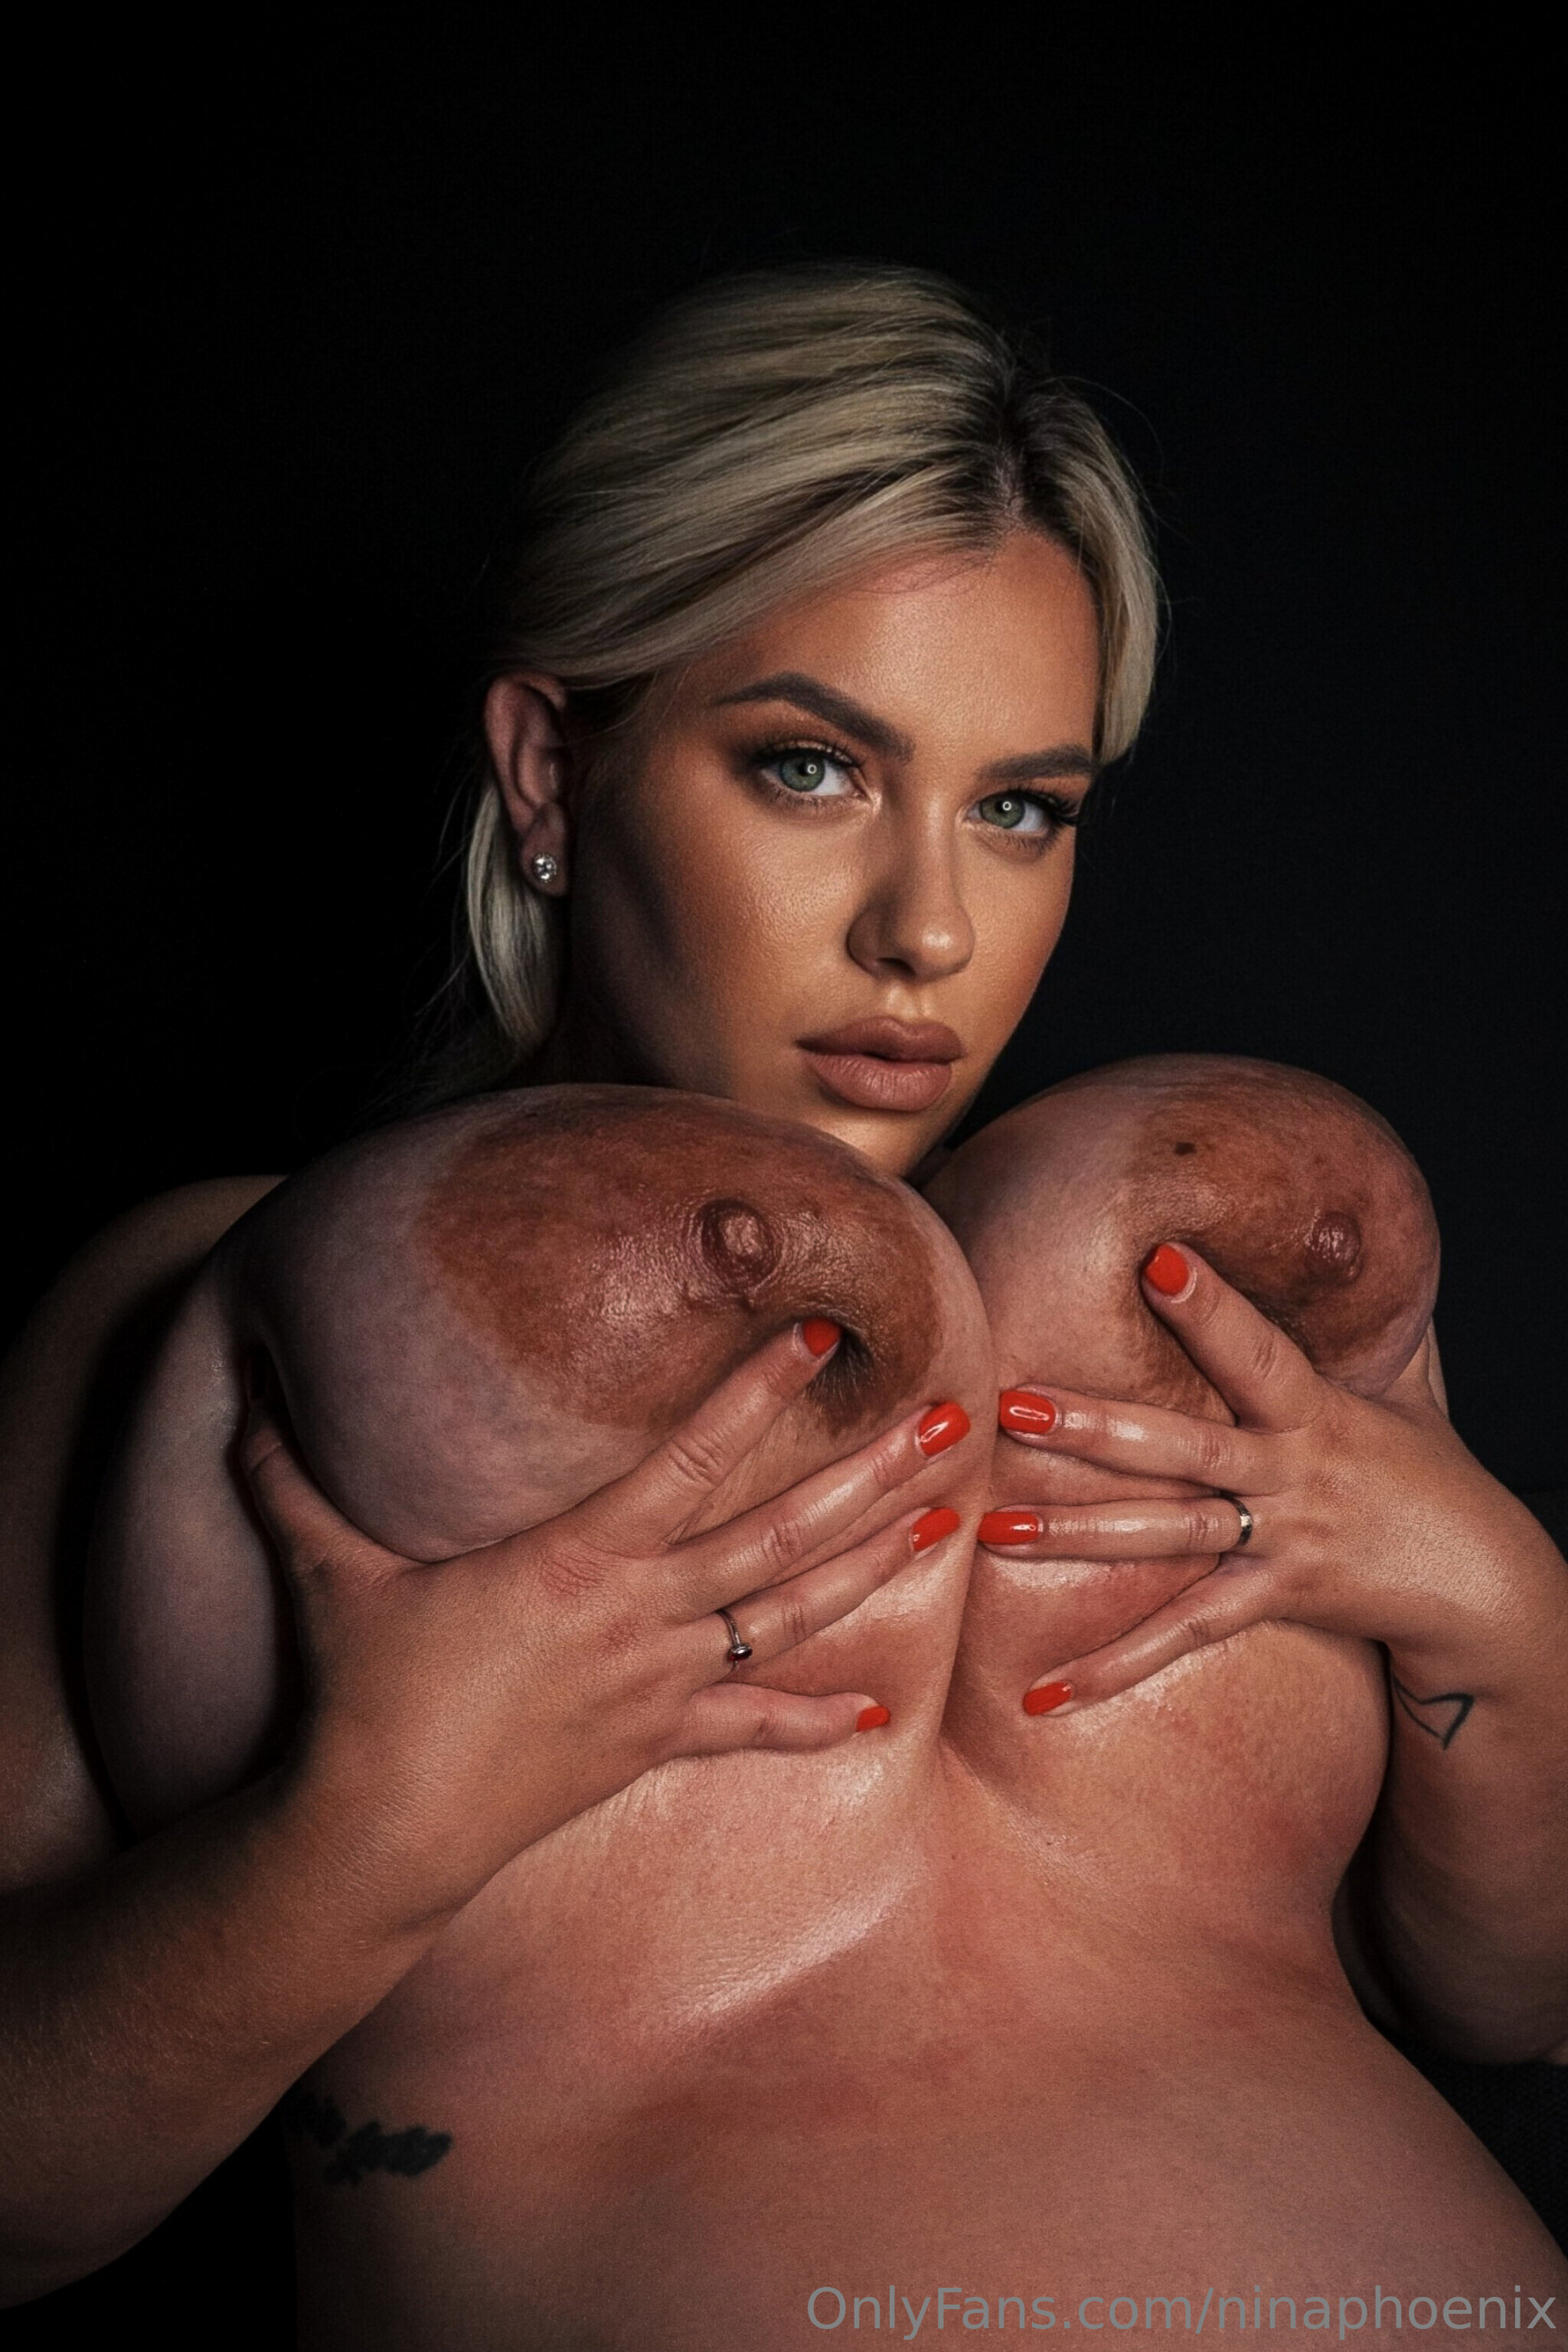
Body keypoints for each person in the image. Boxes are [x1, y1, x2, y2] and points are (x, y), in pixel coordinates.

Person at [0, 264, 1562, 2320]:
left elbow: (1513, 2001)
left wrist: (1496, 1599)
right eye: (813, 769)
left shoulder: (1204, 1319)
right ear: (551, 777)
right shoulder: (221, 1315)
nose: (932, 930)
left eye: (1020, 810)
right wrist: (364, 1835)